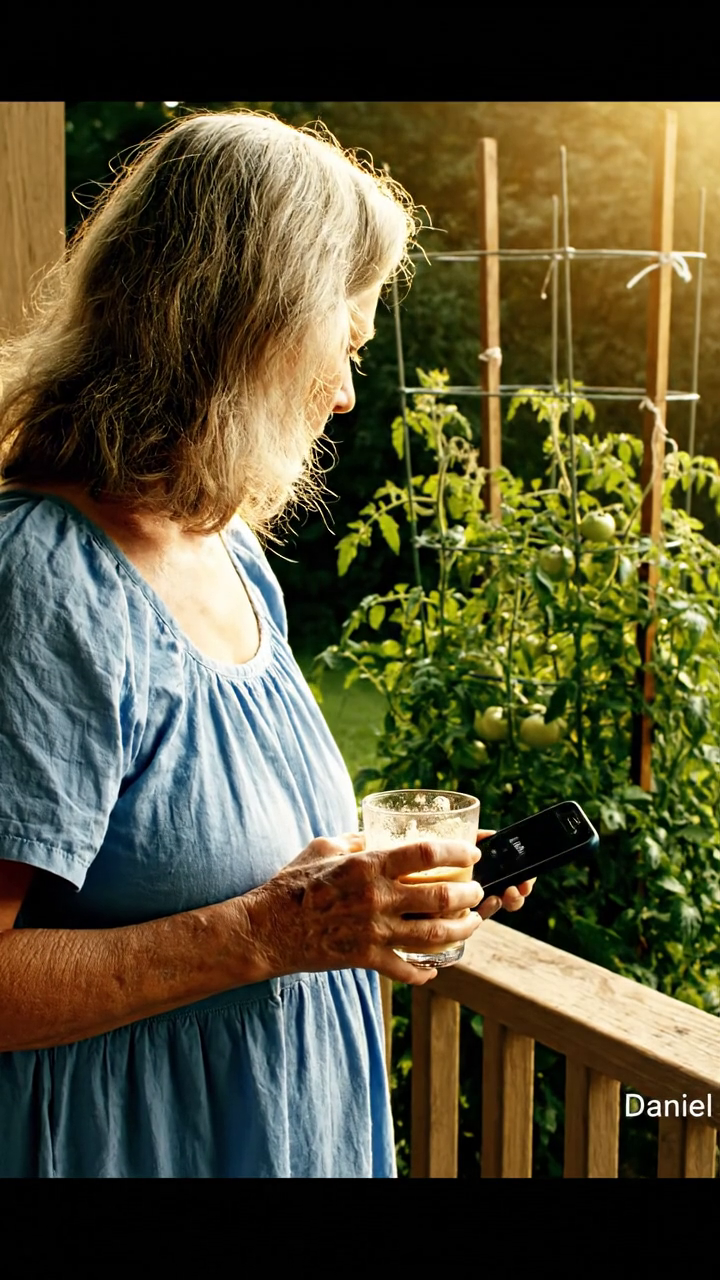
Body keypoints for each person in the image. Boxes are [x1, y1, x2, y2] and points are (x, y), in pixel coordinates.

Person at [0, 109, 533, 1179]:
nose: (343, 394)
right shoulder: (41, 581)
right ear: (245, 328)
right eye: (342, 347)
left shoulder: (227, 551)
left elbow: (214, 844)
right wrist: (276, 930)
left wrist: (372, 889)